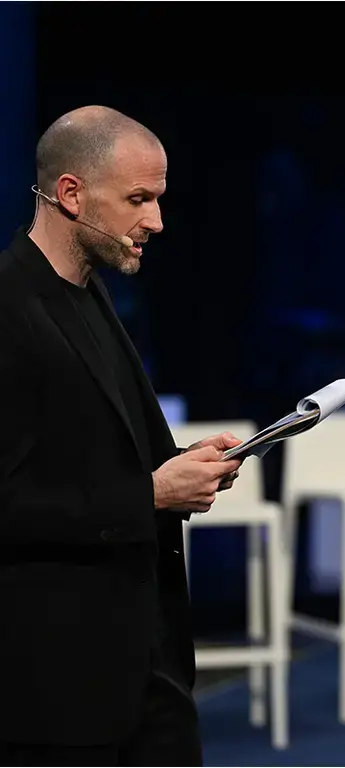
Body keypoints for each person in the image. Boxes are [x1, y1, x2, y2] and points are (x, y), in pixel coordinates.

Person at [0, 105, 244, 766]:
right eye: (138, 199)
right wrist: (151, 496)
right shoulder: (8, 307)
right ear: (72, 194)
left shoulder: (90, 294)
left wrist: (182, 464)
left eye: (159, 199)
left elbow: (98, 453)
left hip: (148, 672)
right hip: (59, 696)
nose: (157, 222)